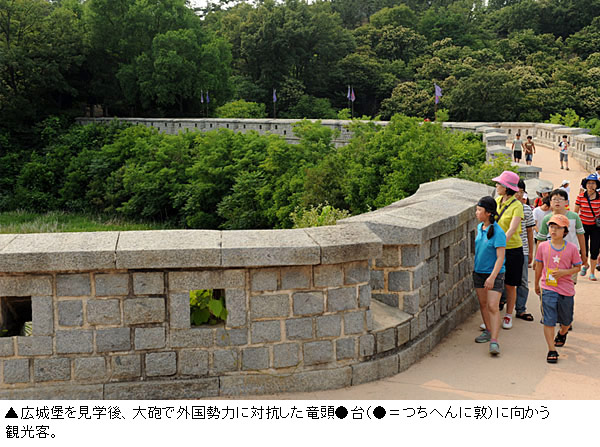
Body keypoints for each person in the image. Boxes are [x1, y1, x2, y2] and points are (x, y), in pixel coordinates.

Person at [534, 214, 582, 363]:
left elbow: (578, 267)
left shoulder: (572, 249)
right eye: (551, 227)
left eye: (557, 227)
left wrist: (564, 273)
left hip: (566, 289)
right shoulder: (542, 246)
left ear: (565, 231)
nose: (553, 230)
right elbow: (539, 266)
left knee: (567, 320)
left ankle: (562, 333)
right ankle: (551, 350)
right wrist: (537, 283)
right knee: (549, 319)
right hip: (548, 287)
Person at [473, 196, 506, 356]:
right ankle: (488, 330)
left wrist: (492, 277)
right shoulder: (480, 227)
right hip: (478, 272)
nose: (476, 212)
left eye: (479, 210)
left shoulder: (498, 232)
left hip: (494, 274)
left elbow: (500, 257)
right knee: (483, 303)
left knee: (493, 306)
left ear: (488, 213)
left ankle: (494, 340)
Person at [535, 188, 587, 285]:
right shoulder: (547, 218)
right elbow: (540, 239)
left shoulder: (574, 217)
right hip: (551, 256)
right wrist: (537, 258)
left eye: (560, 199)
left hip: (570, 255)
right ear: (550, 202)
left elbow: (581, 235)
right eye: (554, 199)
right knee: (551, 283)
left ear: (566, 202)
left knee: (569, 283)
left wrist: (583, 254)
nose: (557, 202)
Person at [492, 171, 523, 330]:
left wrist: (501, 243)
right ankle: (493, 315)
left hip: (512, 249)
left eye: (499, 184)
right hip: (496, 248)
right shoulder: (496, 201)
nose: (496, 186)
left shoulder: (517, 206)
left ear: (506, 187)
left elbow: (512, 229)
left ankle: (508, 315)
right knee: (495, 282)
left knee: (510, 284)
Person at [514, 180, 535, 321]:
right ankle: (502, 301)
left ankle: (520, 308)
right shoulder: (502, 207)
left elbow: (529, 232)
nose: (518, 194)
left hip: (522, 249)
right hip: (506, 247)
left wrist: (530, 252)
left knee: (522, 280)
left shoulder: (526, 209)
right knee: (504, 278)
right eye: (515, 191)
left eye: (520, 191)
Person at [574, 174, 600, 280]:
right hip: (583, 226)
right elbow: (575, 212)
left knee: (595, 249)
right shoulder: (580, 196)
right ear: (586, 184)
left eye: (593, 183)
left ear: (596, 185)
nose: (590, 185)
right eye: (589, 183)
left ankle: (592, 272)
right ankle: (585, 265)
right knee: (583, 249)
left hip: (596, 227)